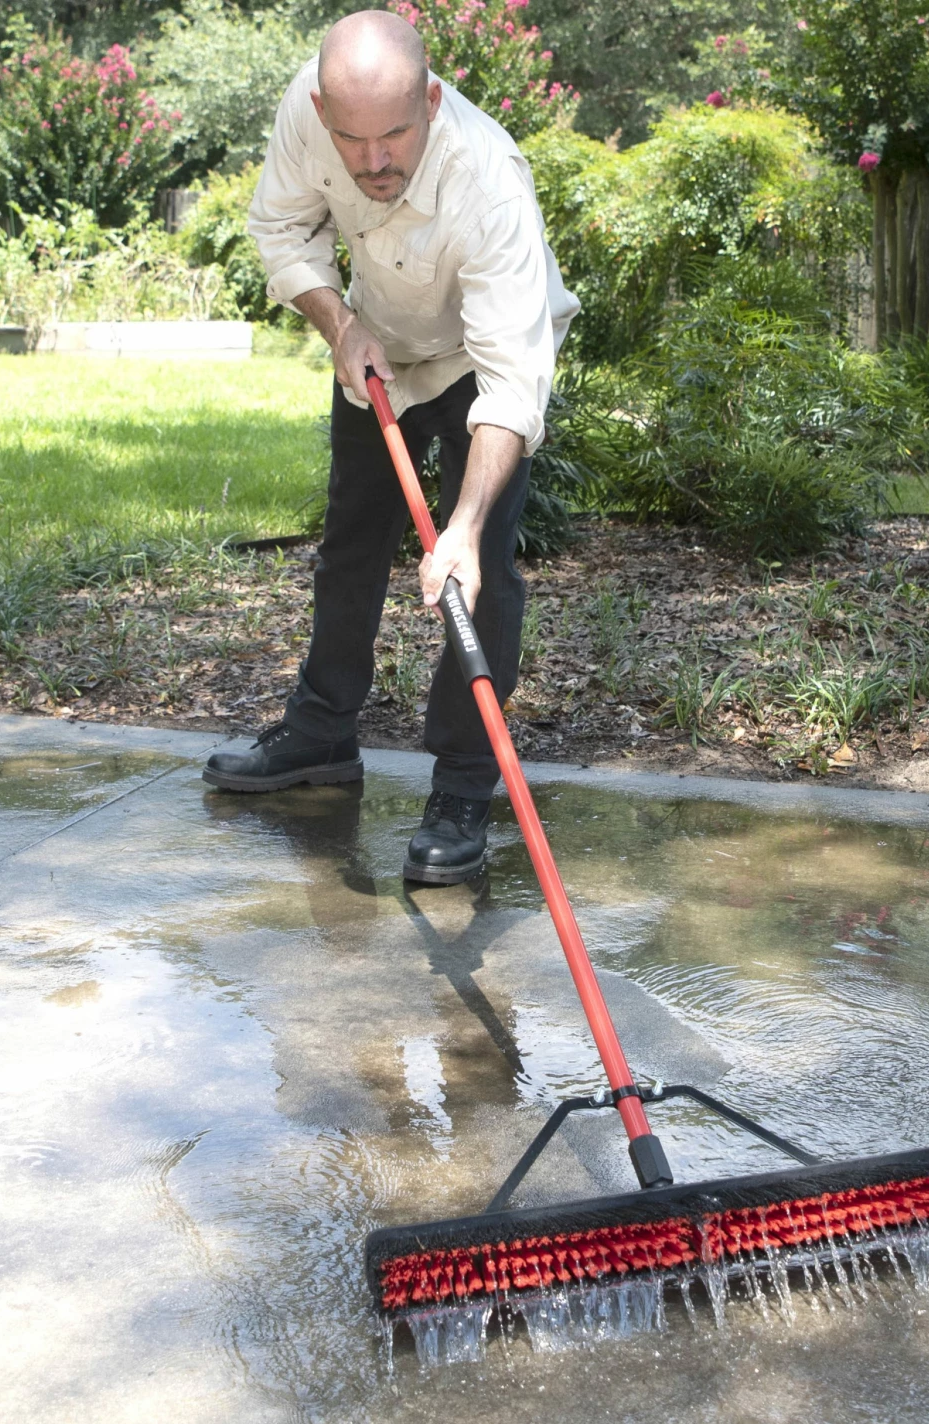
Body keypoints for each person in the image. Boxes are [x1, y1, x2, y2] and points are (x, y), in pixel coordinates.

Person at [202, 8, 578, 884]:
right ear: (325, 111)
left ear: (433, 101)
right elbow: (281, 230)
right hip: (374, 350)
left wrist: (462, 524)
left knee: (476, 566)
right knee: (351, 547)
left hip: (479, 363)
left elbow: (512, 384)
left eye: (395, 137)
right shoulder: (311, 111)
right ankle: (321, 735)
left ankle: (462, 783)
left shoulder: (488, 181)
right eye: (352, 141)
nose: (372, 163)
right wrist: (337, 322)